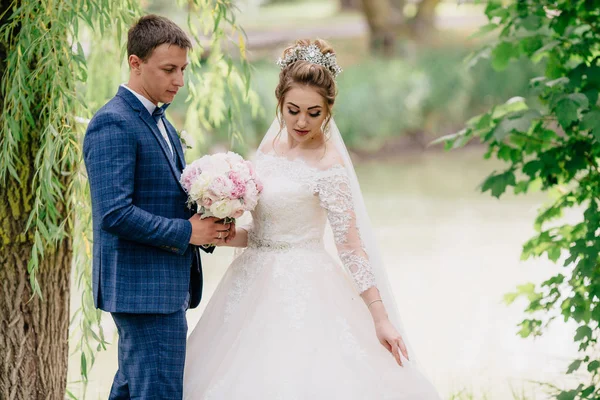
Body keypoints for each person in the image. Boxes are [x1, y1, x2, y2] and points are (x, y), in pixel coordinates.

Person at [183, 39, 441, 399]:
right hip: (249, 281)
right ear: (280, 103)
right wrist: (224, 231)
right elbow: (261, 233)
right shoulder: (269, 149)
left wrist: (380, 318)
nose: (301, 122)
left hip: (304, 283)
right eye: (293, 110)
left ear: (328, 111)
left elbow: (350, 247)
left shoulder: (329, 165)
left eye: (314, 113)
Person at [83, 15, 234, 399]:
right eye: (169, 69)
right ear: (135, 63)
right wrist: (188, 232)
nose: (179, 81)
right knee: (159, 392)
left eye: (182, 69)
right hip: (142, 291)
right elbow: (114, 213)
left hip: (162, 287)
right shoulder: (113, 124)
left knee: (133, 389)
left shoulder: (161, 123)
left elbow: (165, 197)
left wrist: (212, 216)